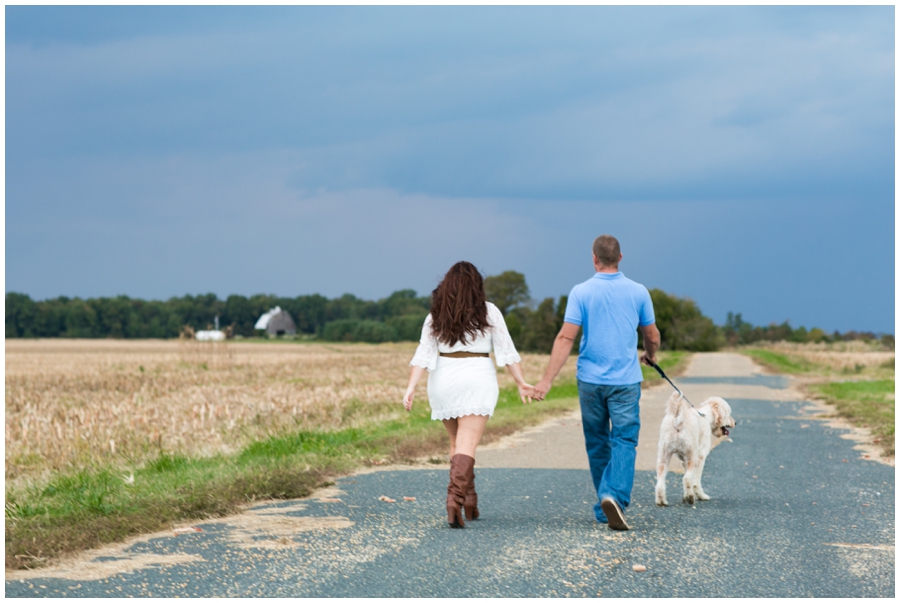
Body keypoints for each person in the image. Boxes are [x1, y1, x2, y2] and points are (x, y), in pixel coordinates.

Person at [532, 235, 660, 531]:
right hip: (626, 381)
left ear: (594, 258)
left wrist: (546, 381)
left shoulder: (581, 292)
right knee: (625, 439)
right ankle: (613, 497)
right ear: (621, 257)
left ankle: (606, 506)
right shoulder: (639, 292)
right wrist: (650, 355)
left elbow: (566, 337)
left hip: (589, 381)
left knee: (597, 441)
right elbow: (651, 335)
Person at [403, 261, 533, 528]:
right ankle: (454, 501)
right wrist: (520, 382)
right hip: (477, 377)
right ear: (477, 285)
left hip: (443, 380)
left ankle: (469, 501)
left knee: (456, 443)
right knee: (468, 444)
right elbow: (506, 351)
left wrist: (411, 387)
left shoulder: (435, 314)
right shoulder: (489, 311)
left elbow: (423, 355)